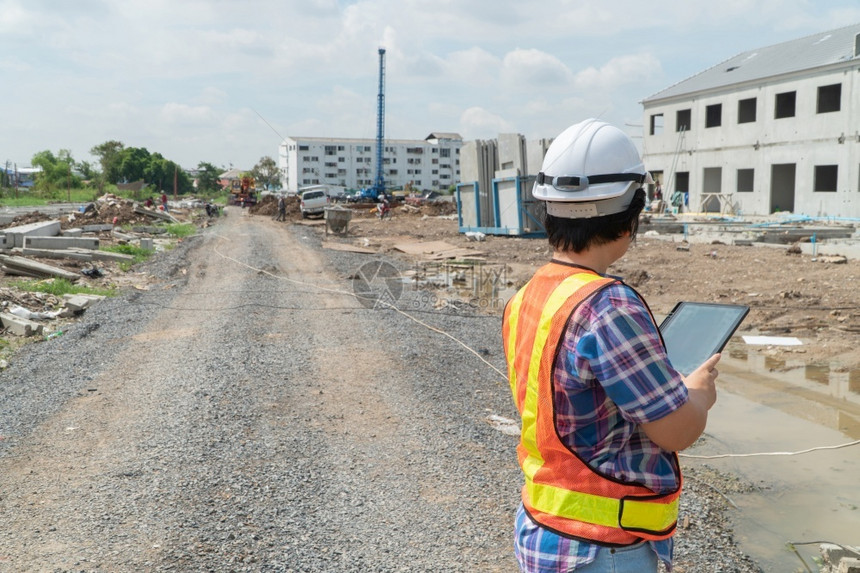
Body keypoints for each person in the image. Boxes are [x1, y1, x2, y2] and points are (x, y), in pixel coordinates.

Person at [502, 119, 720, 573]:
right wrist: (697, 392)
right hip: (601, 550)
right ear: (630, 217)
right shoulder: (609, 306)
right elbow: (676, 431)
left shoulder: (528, 295)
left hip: (543, 530)